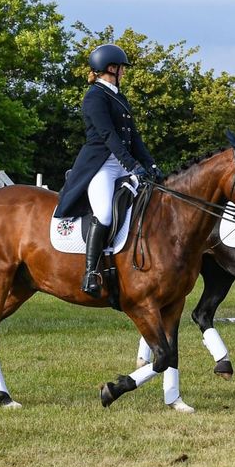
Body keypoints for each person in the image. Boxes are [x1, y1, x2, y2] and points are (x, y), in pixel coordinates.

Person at [55, 43, 164, 297]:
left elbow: (134, 138)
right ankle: (91, 272)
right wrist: (132, 165)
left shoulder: (118, 97)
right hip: (101, 166)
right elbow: (108, 136)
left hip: (123, 165)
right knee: (104, 214)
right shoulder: (94, 96)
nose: (123, 73)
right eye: (120, 68)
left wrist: (151, 165)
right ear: (109, 69)